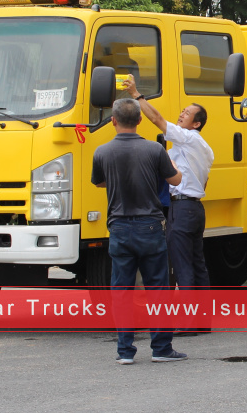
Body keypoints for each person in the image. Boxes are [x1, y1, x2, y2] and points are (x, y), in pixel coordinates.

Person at [90, 97, 187, 365]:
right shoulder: (155, 150)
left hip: (119, 227)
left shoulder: (102, 152)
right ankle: (161, 348)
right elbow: (176, 180)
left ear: (113, 121)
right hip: (150, 226)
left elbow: (99, 182)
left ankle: (125, 351)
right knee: (158, 288)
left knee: (121, 291)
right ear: (140, 121)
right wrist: (173, 164)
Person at [124, 76, 215, 336]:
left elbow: (156, 119)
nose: (181, 114)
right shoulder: (201, 148)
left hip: (183, 208)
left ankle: (187, 324)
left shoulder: (188, 138)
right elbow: (204, 180)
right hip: (194, 208)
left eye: (187, 114)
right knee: (198, 265)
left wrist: (136, 94)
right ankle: (201, 322)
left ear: (196, 124)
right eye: (182, 111)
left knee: (183, 265)